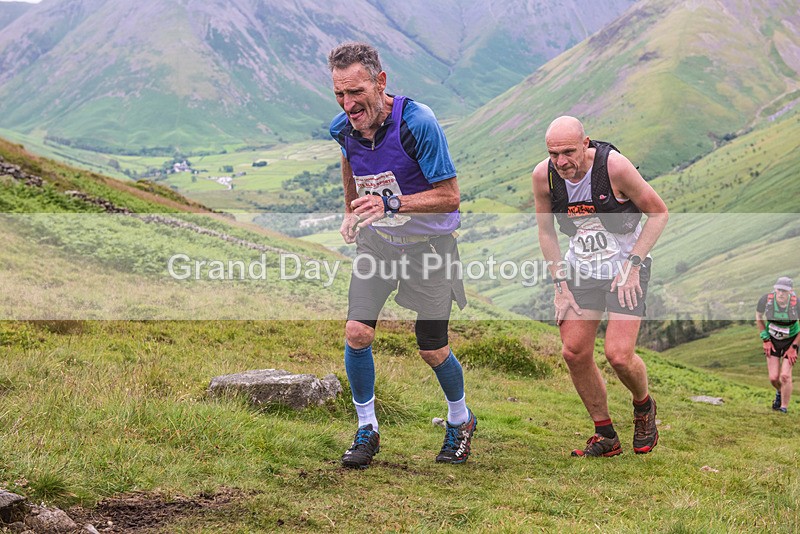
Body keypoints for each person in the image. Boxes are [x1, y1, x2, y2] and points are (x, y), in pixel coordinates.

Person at [327, 42, 475, 469]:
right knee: (357, 332)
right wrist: (351, 210)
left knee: (432, 348)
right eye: (339, 94)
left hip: (430, 249)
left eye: (356, 92)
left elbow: (450, 198)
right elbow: (348, 162)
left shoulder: (418, 123)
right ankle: (367, 428)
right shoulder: (344, 128)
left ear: (381, 81)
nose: (349, 104)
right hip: (379, 244)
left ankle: (460, 419)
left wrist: (391, 205)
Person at [532, 116, 669, 457]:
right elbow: (547, 232)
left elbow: (659, 212)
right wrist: (559, 284)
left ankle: (643, 406)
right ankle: (605, 434)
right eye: (553, 154)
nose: (561, 162)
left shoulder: (615, 168)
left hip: (626, 267)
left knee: (619, 356)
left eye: (568, 152)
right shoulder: (544, 176)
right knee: (574, 351)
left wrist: (633, 266)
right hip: (581, 269)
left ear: (585, 143)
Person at [755, 276, 799, 413]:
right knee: (774, 378)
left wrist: (794, 347)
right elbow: (758, 317)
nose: (781, 293)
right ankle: (780, 392)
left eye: (784, 291)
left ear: (790, 292)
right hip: (772, 340)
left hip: (791, 340)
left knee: (785, 375)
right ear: (775, 289)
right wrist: (765, 339)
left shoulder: (796, 304)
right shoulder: (765, 300)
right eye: (779, 290)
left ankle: (783, 408)